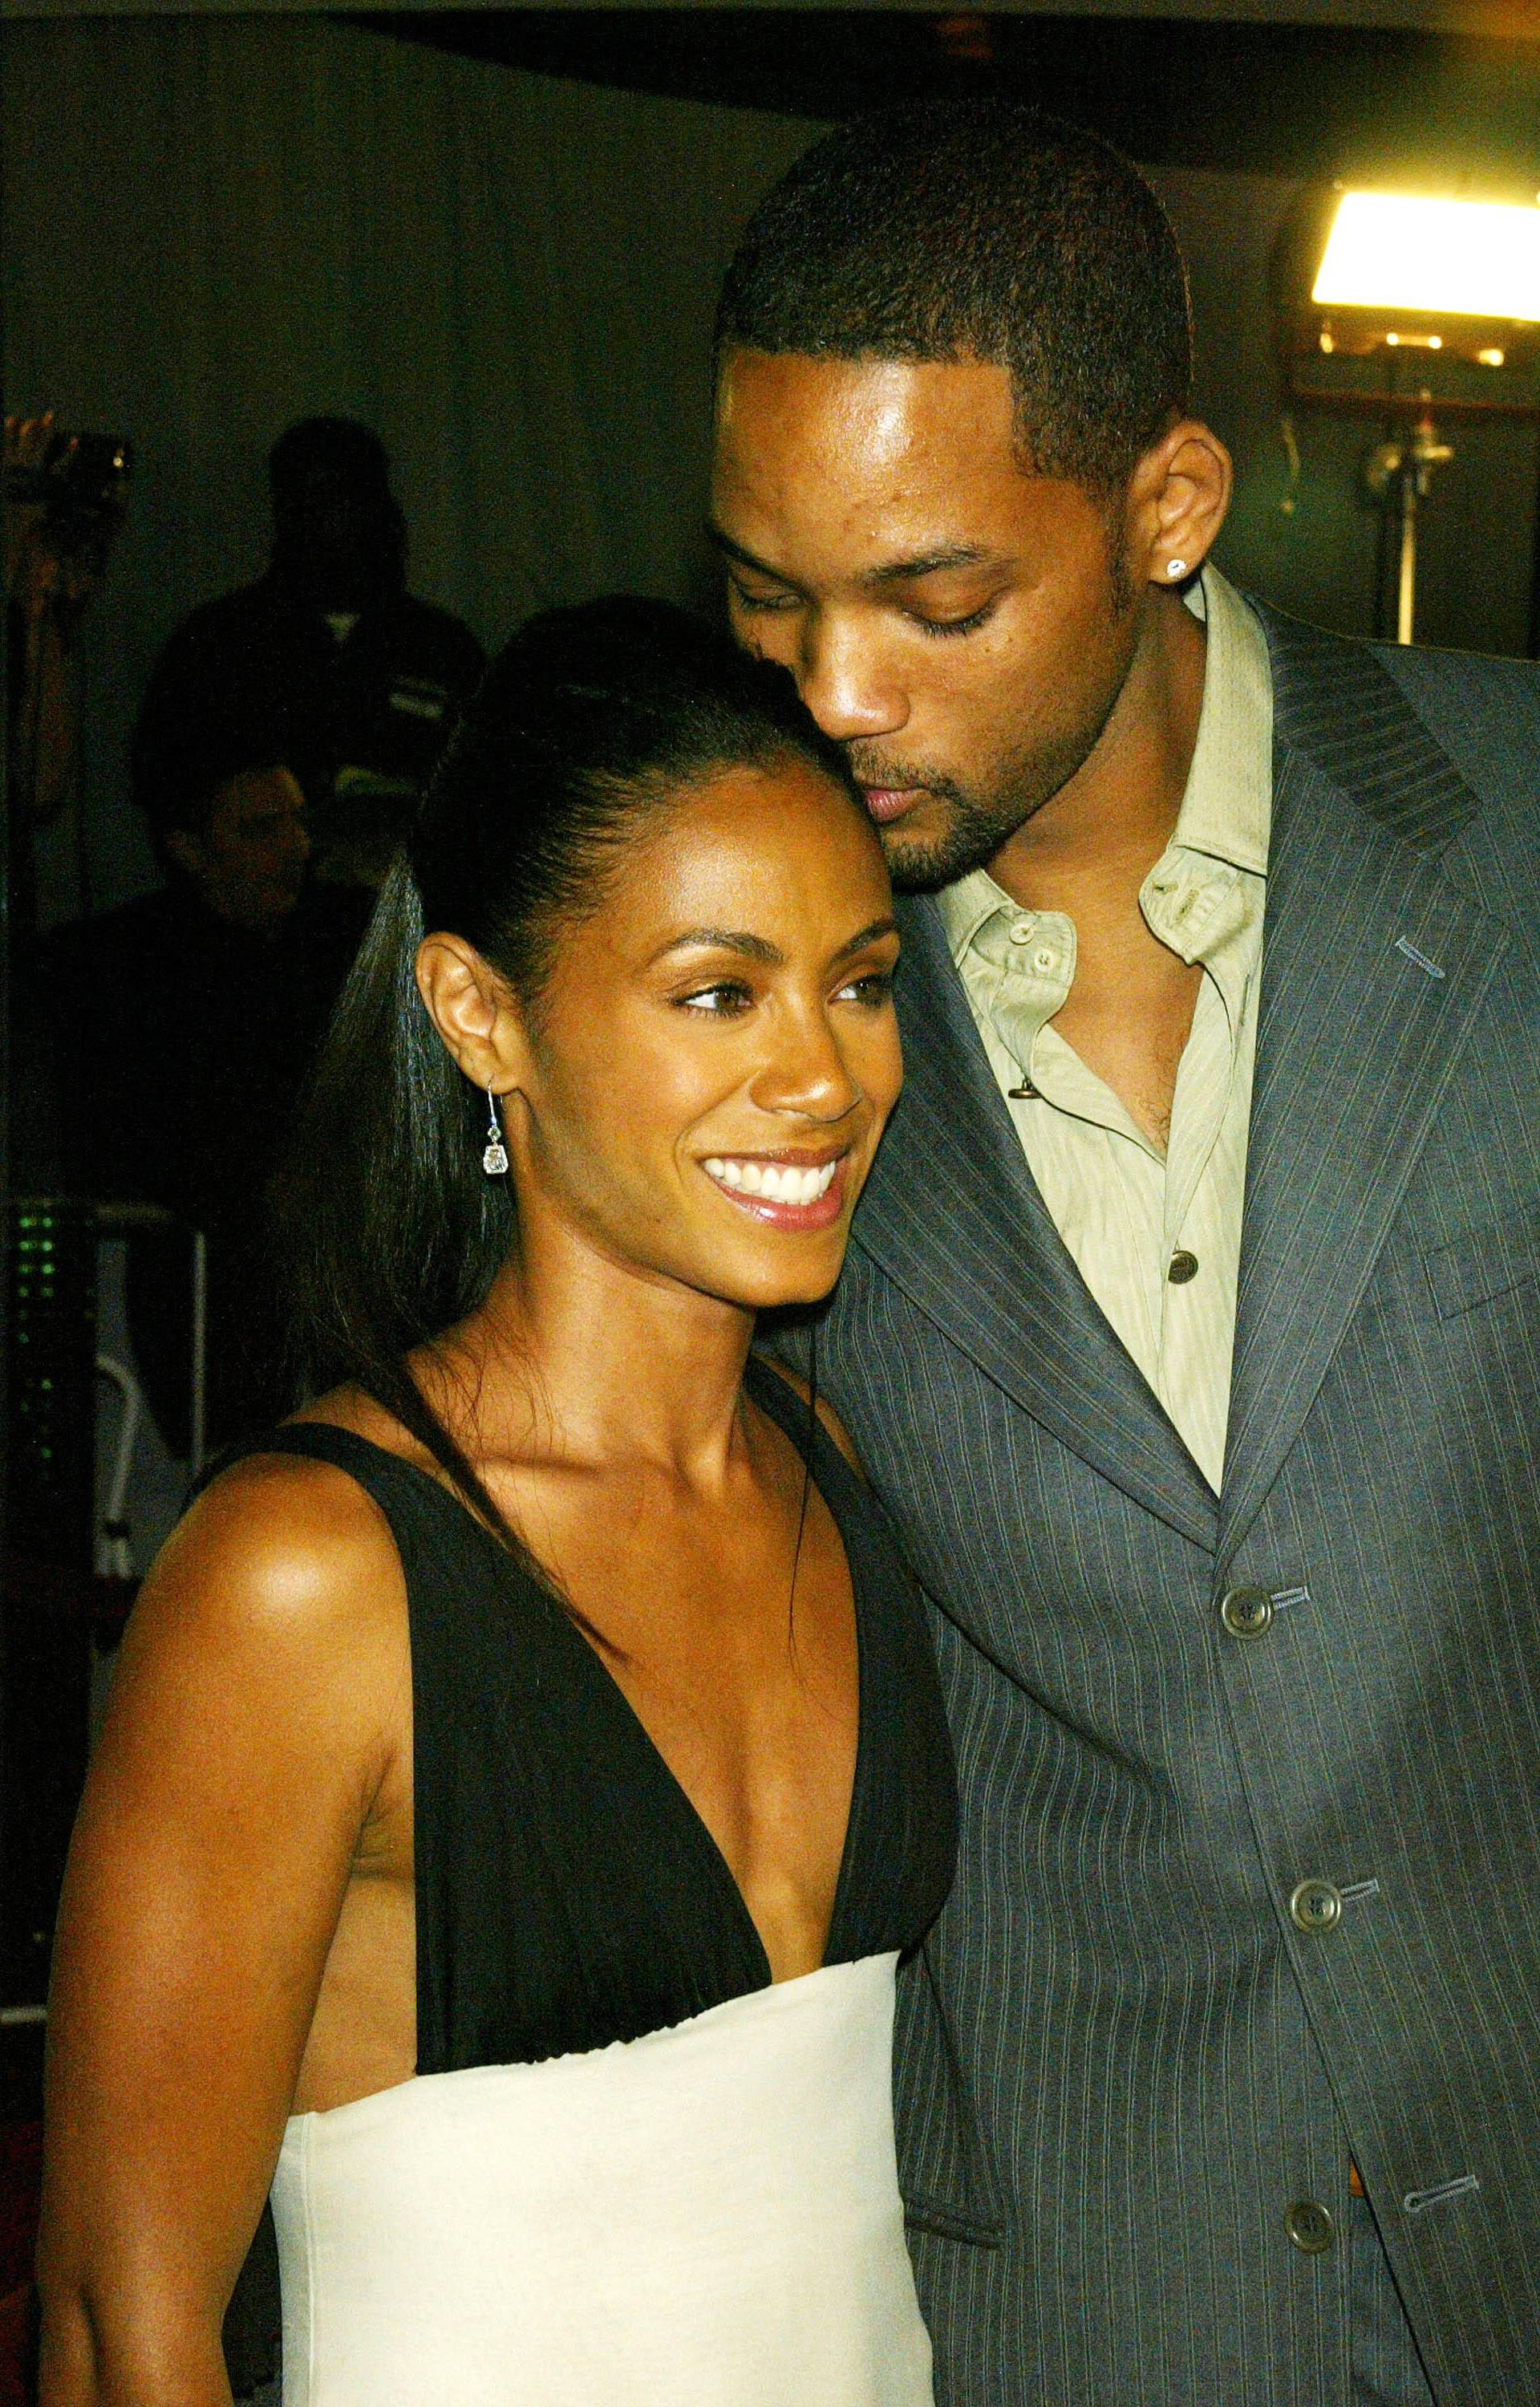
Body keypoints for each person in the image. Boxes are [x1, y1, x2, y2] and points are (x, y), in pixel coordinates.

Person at [709, 99, 1540, 2407]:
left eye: (934, 599)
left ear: (1168, 508)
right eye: (768, 594)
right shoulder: (738, 1003)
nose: (832, 691)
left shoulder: (1526, 838)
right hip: (1084, 2298)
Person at [36, 599, 956, 2406]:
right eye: (719, 991)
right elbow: (116, 2328)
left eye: (860, 979)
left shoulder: (826, 1476)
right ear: (480, 1017)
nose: (828, 1077)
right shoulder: (309, 1580)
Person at [47, 726, 370, 1455]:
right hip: (204, 1312)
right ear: (188, 850)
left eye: (299, 824)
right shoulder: (126, 974)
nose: (295, 847)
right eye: (261, 829)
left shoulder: (340, 943)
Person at [132, 416, 484, 895]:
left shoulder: (442, 648)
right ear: (284, 512)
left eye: (351, 497)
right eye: (314, 499)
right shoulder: (216, 643)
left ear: (383, 510)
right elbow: (165, 795)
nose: (334, 519)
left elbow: (485, 794)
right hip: (255, 935)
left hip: (400, 921)